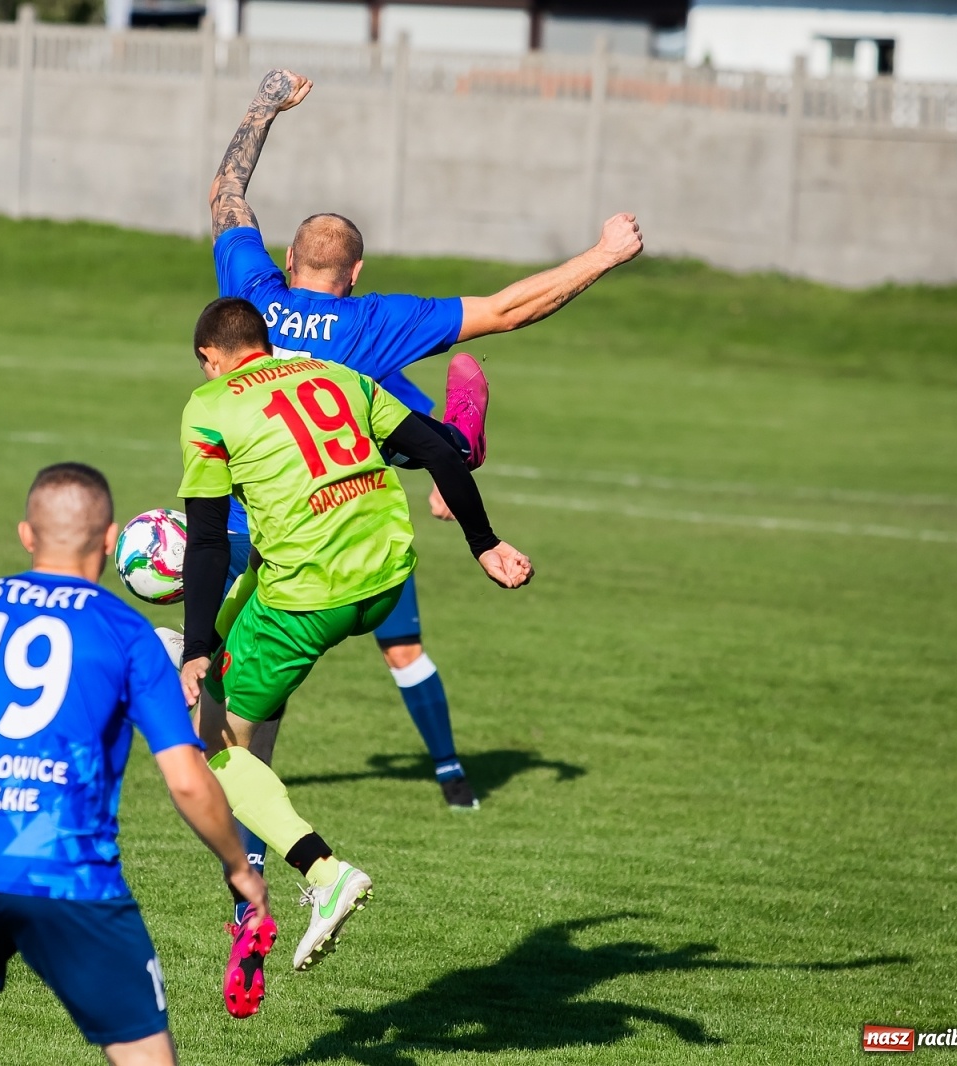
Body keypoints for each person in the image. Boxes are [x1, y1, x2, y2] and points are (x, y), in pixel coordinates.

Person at [206, 69, 644, 825]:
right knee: (374, 404)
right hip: (354, 521)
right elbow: (507, 309)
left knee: (230, 706)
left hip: (270, 528)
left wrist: (264, 104)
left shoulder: (251, 297)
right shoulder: (374, 320)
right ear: (356, 273)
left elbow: (226, 193)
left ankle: (256, 853)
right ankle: (453, 445)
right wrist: (602, 254)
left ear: (287, 258)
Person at [0, 462, 275, 1066]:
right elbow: (188, 779)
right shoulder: (126, 633)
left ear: (26, 535)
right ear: (110, 541)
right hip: (67, 875)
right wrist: (240, 868)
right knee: (145, 1057)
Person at [177, 297, 530, 997]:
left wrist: (193, 647)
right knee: (258, 582)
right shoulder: (340, 376)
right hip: (387, 579)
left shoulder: (209, 407)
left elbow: (209, 540)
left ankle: (321, 873)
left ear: (210, 357)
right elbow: (438, 451)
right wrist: (484, 543)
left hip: (309, 601)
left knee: (210, 745)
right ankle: (204, 649)